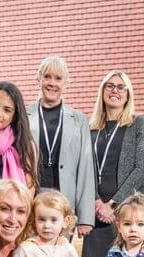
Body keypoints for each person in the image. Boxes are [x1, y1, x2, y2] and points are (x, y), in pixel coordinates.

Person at [82, 71, 144, 257]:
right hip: (96, 213)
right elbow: (85, 168)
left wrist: (112, 204)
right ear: (102, 92)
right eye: (109, 86)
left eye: (121, 87)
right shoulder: (90, 128)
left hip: (126, 210)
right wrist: (95, 201)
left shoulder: (138, 124)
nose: (115, 90)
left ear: (128, 94)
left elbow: (141, 167)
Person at [26, 56, 95, 236]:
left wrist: (86, 217)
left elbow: (86, 167)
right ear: (38, 79)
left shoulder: (79, 120)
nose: (52, 83)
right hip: (30, 200)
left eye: (58, 78)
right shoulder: (24, 116)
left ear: (66, 83)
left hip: (64, 202)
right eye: (47, 77)